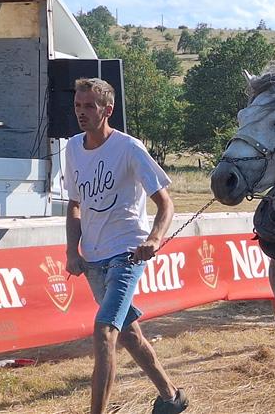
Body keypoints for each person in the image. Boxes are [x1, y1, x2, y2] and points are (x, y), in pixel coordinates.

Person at [64, 78, 188, 414]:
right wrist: (70, 251)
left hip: (127, 255)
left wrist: (153, 239)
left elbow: (166, 204)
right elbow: (74, 204)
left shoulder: (130, 148)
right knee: (130, 334)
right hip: (92, 259)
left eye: (89, 106)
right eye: (78, 105)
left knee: (105, 332)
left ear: (107, 109)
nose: (81, 112)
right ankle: (171, 397)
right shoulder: (72, 148)